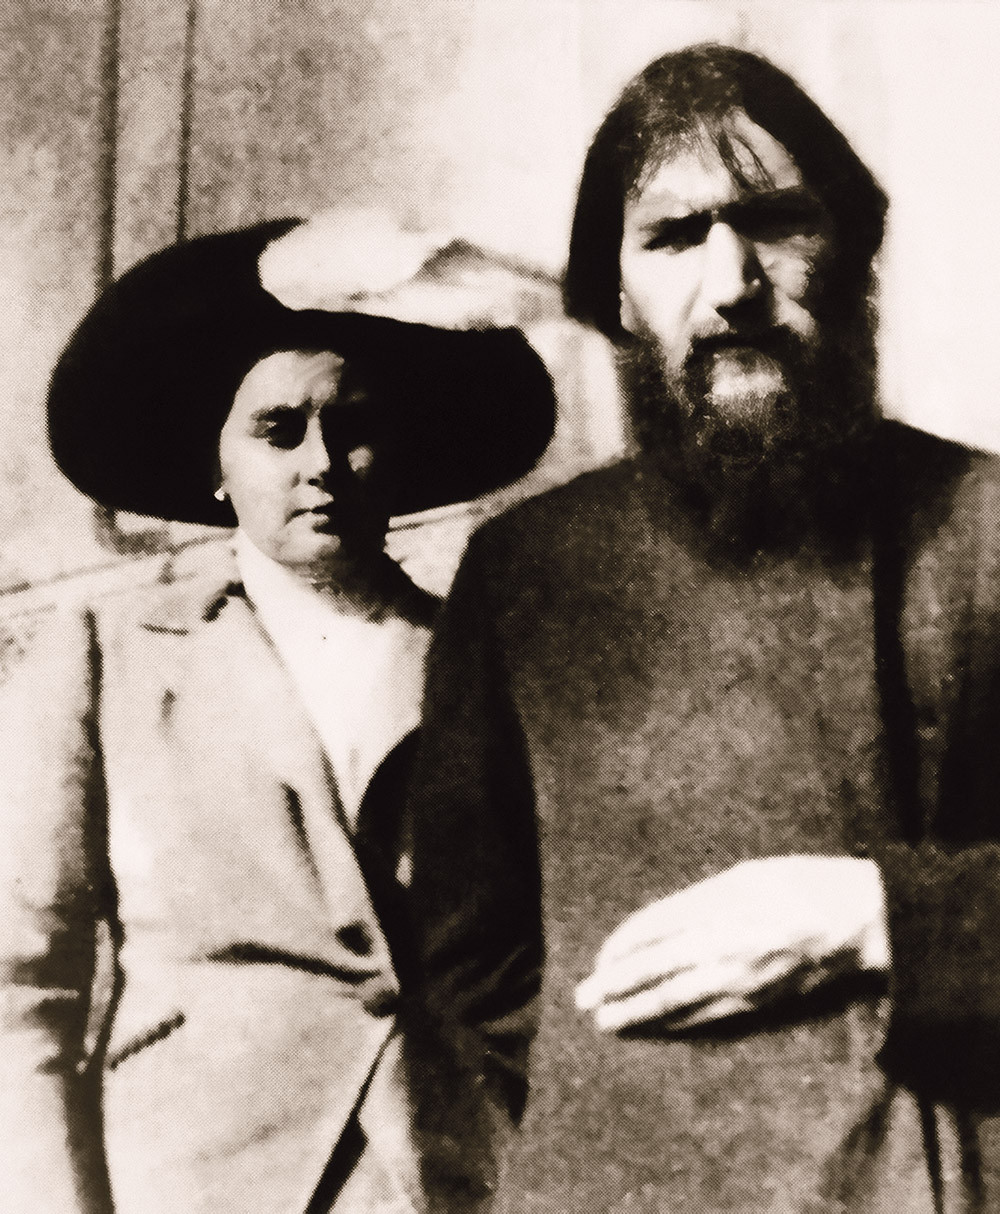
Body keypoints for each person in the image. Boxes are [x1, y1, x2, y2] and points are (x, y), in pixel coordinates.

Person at [403, 45, 1000, 1212]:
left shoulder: (985, 528)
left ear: (852, 253)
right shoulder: (523, 573)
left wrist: (878, 915)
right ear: (616, 296)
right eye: (674, 236)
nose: (732, 283)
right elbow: (467, 989)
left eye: (775, 222)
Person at [0, 218, 555, 1213]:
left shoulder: (482, 659)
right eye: (278, 429)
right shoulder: (106, 657)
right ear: (217, 464)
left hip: (438, 1180)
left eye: (355, 425)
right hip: (196, 1180)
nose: (321, 461)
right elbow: (22, 989)